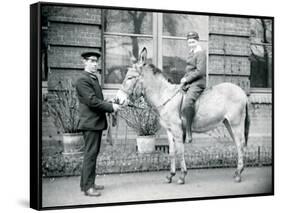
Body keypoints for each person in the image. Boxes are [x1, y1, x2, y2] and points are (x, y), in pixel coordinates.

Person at [76, 51, 122, 197]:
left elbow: (96, 99)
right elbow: (92, 101)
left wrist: (110, 102)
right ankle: (88, 187)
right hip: (90, 123)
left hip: (94, 123)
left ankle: (88, 183)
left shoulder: (93, 78)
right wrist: (110, 107)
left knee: (92, 154)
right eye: (91, 61)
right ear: (84, 62)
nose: (95, 64)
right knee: (90, 155)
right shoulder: (83, 80)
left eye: (96, 61)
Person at [180, 31, 207, 143]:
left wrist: (187, 79)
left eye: (193, 41)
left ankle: (189, 131)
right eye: (189, 42)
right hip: (190, 82)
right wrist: (184, 80)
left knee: (187, 103)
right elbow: (189, 70)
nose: (191, 43)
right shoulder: (191, 52)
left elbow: (200, 71)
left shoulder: (200, 53)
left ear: (197, 41)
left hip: (198, 83)